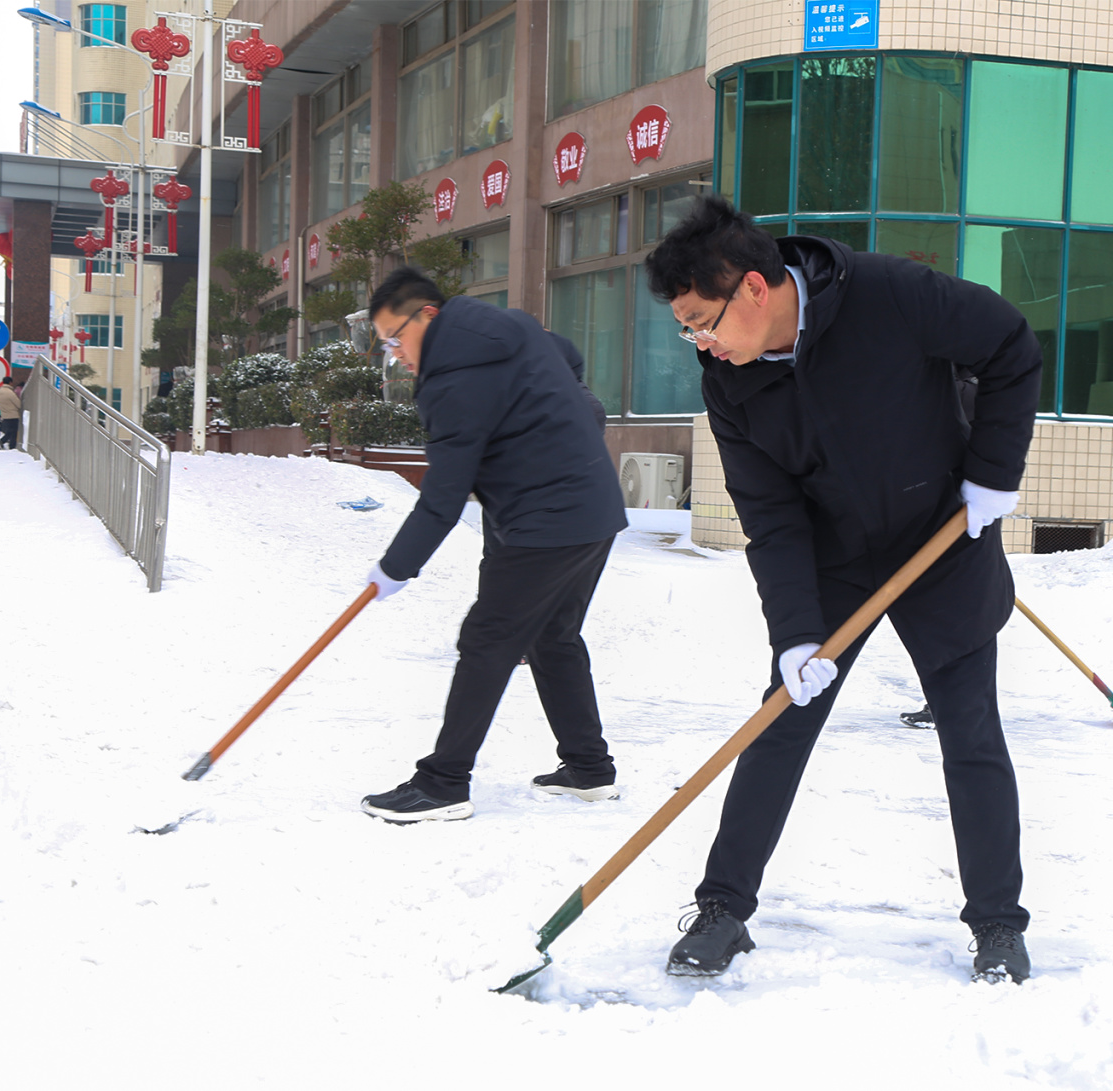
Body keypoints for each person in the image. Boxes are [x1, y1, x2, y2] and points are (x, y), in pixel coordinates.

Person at [644, 196, 1041, 983]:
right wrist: (795, 633)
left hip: (943, 536)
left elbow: (1009, 344)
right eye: (687, 330)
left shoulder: (888, 294)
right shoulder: (730, 386)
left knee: (969, 731)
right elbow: (771, 516)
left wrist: (993, 474)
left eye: (702, 322)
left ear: (753, 287)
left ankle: (998, 923)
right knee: (780, 722)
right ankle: (723, 907)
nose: (700, 343)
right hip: (834, 556)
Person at [359, 265, 627, 823]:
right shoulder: (514, 327)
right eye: (386, 345)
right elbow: (569, 357)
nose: (396, 354)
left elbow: (442, 498)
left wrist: (394, 568)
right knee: (553, 636)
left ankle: (443, 784)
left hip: (545, 522)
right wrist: (560, 426)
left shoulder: (451, 384)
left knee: (488, 639)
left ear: (427, 314)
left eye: (395, 338)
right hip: (595, 507)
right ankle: (589, 769)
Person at [0, 376, 22, 450]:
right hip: (13, 415)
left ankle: (2, 442)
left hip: (5, 414)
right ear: (10, 382)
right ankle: (10, 446)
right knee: (13, 432)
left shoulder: (0, 391)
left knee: (9, 431)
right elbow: (18, 404)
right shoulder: (10, 392)